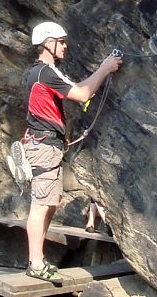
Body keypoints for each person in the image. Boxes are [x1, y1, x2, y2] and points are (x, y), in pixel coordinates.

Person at [18, 21, 123, 281]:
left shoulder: (41, 72)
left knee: (50, 203)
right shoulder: (46, 72)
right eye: (61, 41)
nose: (65, 46)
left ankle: (38, 260)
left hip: (47, 144)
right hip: (43, 146)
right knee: (41, 204)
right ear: (47, 43)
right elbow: (82, 93)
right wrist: (105, 68)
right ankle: (35, 263)